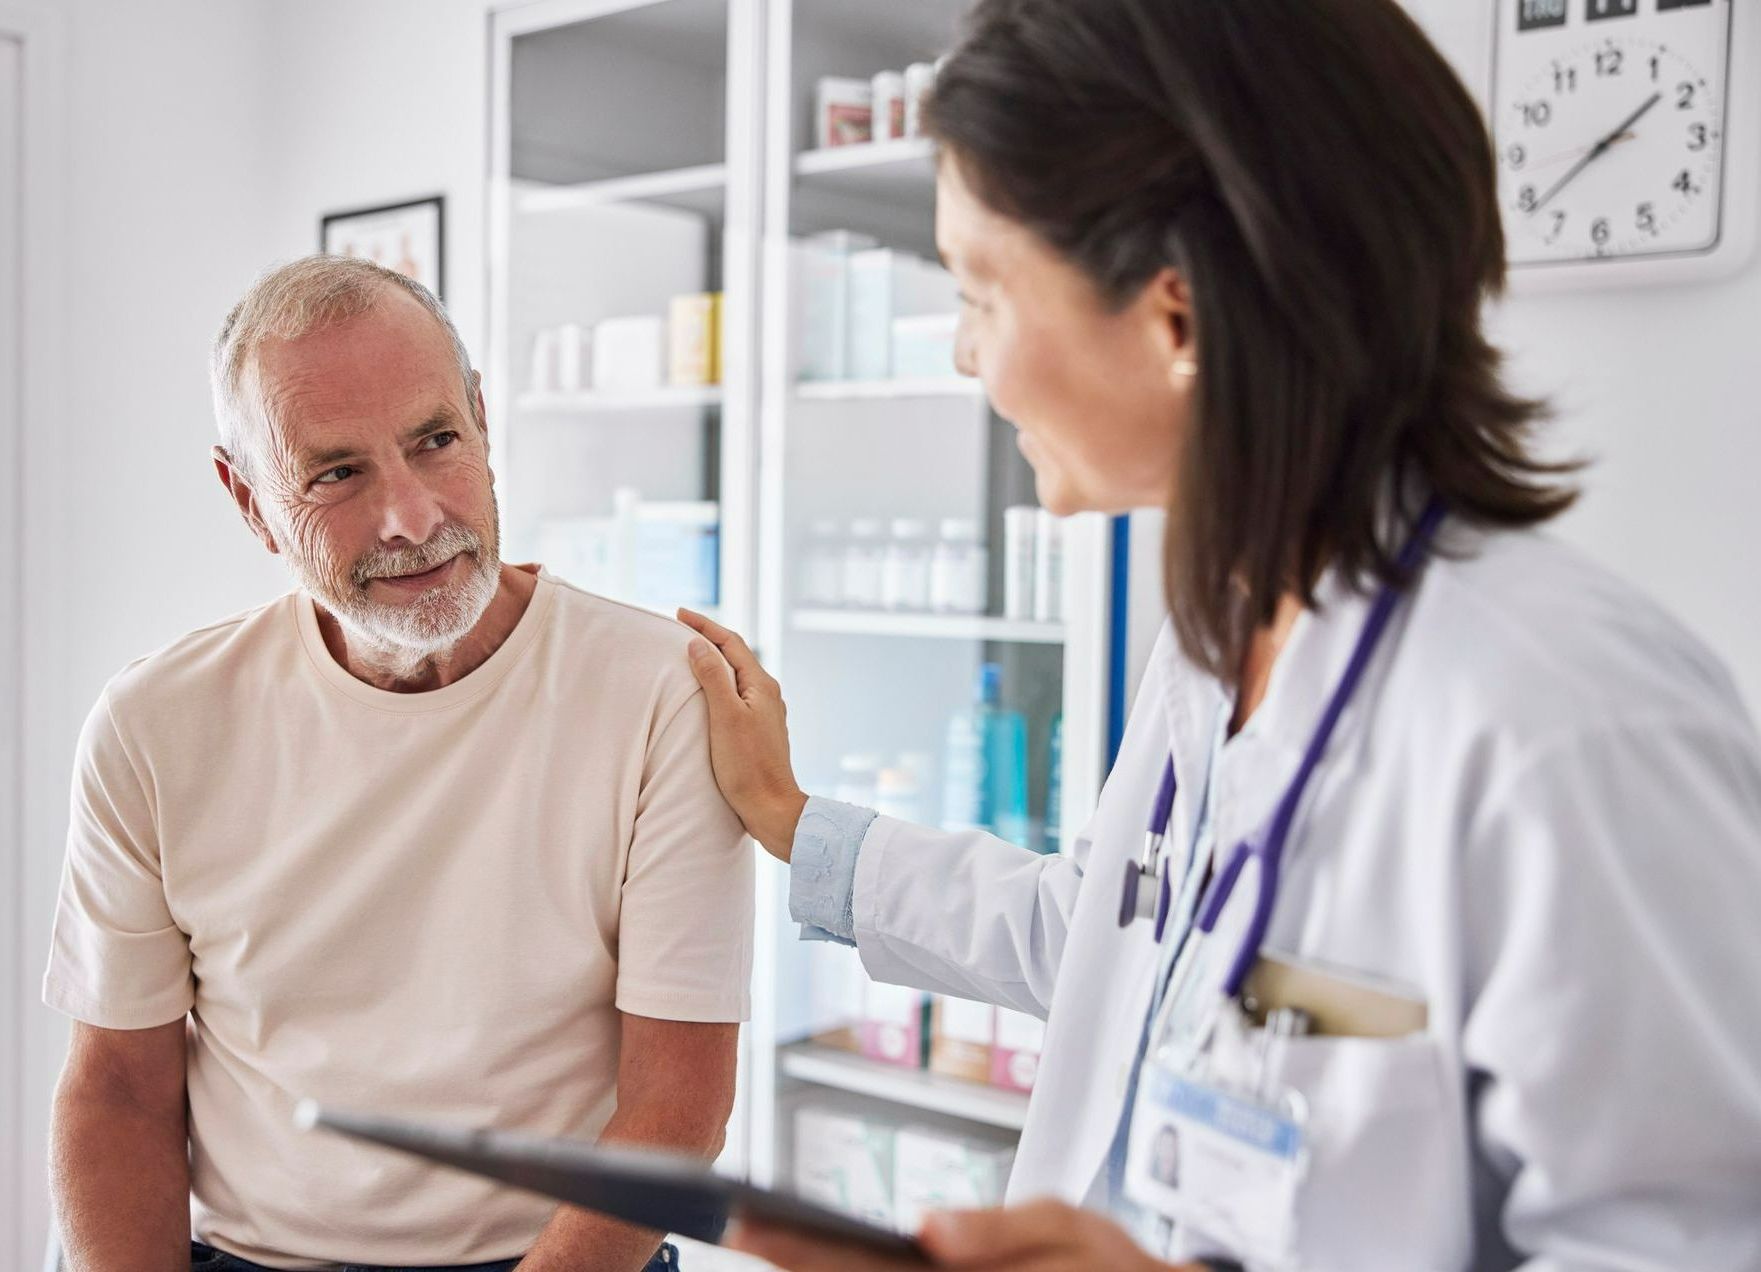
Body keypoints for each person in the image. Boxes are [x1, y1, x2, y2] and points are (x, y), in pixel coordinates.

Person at [678, 0, 1761, 1267]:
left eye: (981, 291)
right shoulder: (1218, 639)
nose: (970, 354)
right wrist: (798, 824)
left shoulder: (1565, 720)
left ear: (1177, 316)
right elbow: (1120, 950)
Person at [43, 256, 753, 1271]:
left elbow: (676, 1105)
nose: (414, 518)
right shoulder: (154, 725)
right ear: (249, 501)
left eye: (435, 441)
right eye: (337, 473)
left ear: (483, 423)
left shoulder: (663, 696)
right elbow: (116, 1089)